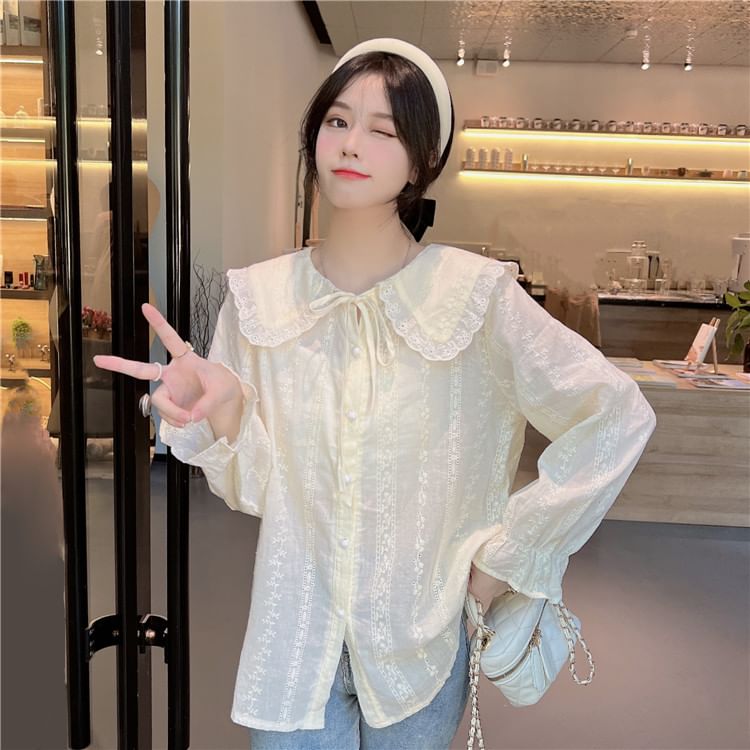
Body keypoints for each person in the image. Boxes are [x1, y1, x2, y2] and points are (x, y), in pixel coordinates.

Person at [94, 38, 657, 750]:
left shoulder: (476, 298)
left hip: (423, 641)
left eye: (383, 130)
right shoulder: (261, 299)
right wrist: (229, 412)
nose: (352, 142)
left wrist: (509, 555)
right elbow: (258, 492)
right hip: (295, 640)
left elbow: (614, 414)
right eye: (337, 121)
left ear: (422, 160)